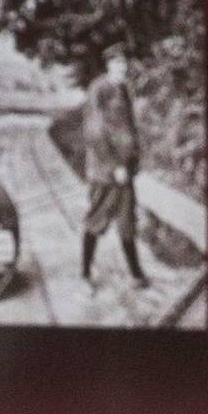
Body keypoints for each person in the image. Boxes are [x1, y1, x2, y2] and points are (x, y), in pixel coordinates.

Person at [75, 55, 146, 288]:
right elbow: (94, 131)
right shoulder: (98, 89)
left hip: (124, 171)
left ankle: (136, 274)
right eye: (117, 63)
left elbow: (129, 125)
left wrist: (131, 160)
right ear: (108, 65)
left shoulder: (123, 87)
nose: (122, 67)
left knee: (127, 222)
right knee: (97, 219)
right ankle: (85, 273)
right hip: (105, 172)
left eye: (125, 63)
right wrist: (114, 166)